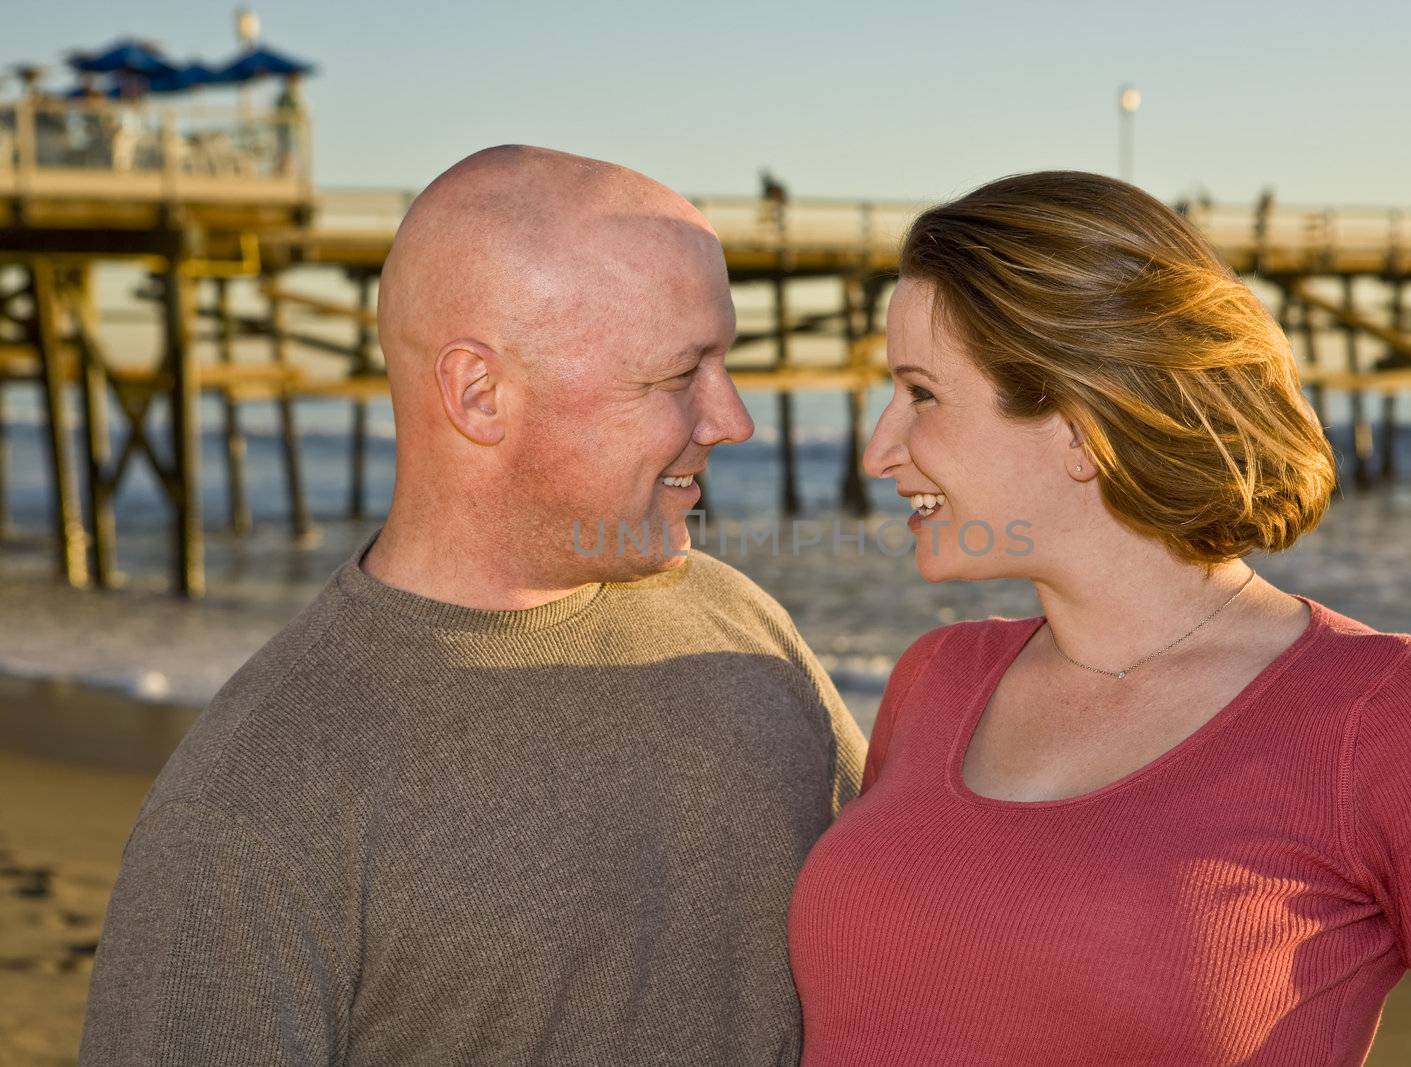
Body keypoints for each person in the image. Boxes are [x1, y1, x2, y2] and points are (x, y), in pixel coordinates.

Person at [787, 171, 1411, 1064]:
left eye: (922, 394)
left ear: (1079, 419)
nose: (877, 449)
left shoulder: (1396, 714)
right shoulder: (935, 677)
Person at [81, 145, 866, 1065]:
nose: (732, 419)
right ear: (480, 394)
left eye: (724, 363)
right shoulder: (252, 808)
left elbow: (906, 942)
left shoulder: (741, 630)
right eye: (675, 376)